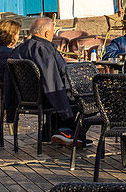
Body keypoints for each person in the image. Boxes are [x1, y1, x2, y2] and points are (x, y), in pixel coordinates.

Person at [6, 17, 81, 146]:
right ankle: (65, 131)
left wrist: (10, 108)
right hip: (47, 97)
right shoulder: (44, 49)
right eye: (52, 32)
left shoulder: (18, 50)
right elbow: (53, 79)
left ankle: (50, 133)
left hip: (23, 99)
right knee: (84, 100)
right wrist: (64, 110)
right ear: (47, 33)